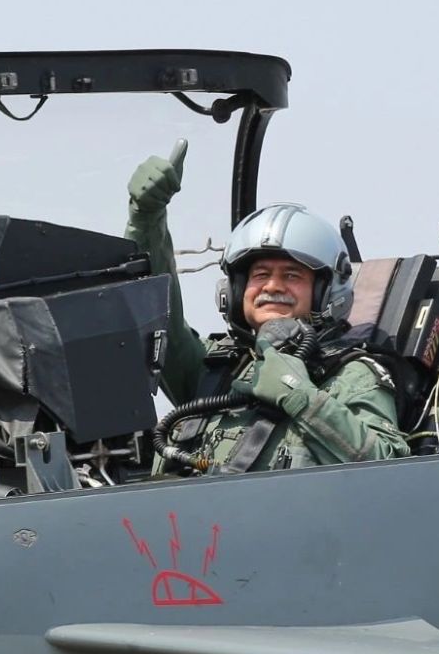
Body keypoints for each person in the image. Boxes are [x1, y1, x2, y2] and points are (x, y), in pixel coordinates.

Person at [125, 141, 408, 473]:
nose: (273, 286)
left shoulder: (352, 376)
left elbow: (390, 471)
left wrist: (301, 397)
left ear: (325, 292)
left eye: (292, 275)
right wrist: (146, 220)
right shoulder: (213, 368)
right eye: (260, 275)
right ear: (235, 291)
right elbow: (157, 316)